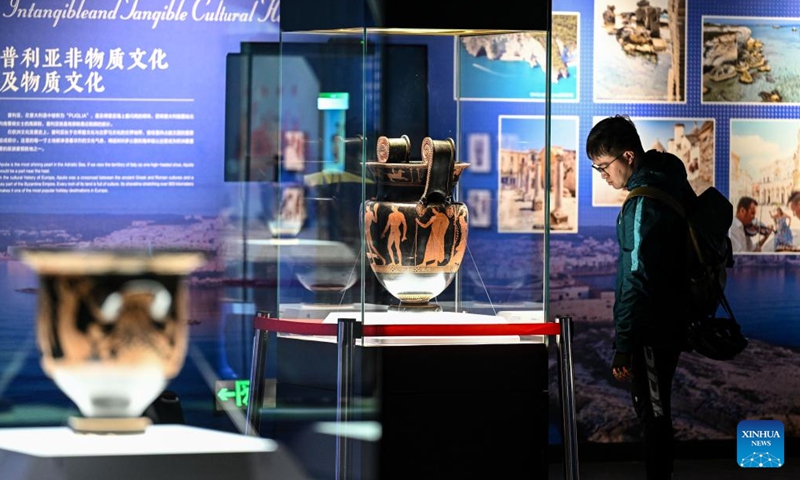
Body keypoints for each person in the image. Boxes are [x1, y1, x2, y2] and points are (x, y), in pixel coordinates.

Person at [586, 115, 694, 480]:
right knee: (657, 408)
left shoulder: (641, 204)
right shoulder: (670, 176)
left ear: (628, 156)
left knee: (652, 414)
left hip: (652, 327)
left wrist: (625, 344)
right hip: (675, 315)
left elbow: (634, 279)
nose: (602, 175)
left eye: (604, 166)